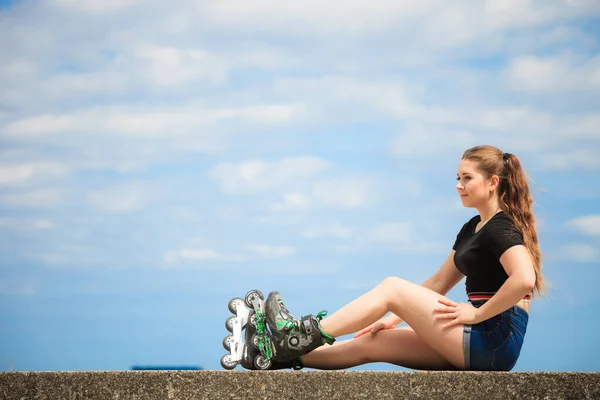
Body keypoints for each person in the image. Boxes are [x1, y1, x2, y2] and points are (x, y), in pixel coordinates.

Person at [260, 145, 545, 371]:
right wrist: (394, 318)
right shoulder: (473, 228)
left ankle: (299, 334)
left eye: (467, 178)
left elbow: (524, 278)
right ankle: (278, 356)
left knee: (392, 287)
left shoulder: (500, 226)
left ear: (493, 182)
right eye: (458, 178)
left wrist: (478, 313)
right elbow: (438, 282)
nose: (459, 184)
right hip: (479, 338)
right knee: (375, 341)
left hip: (493, 339)